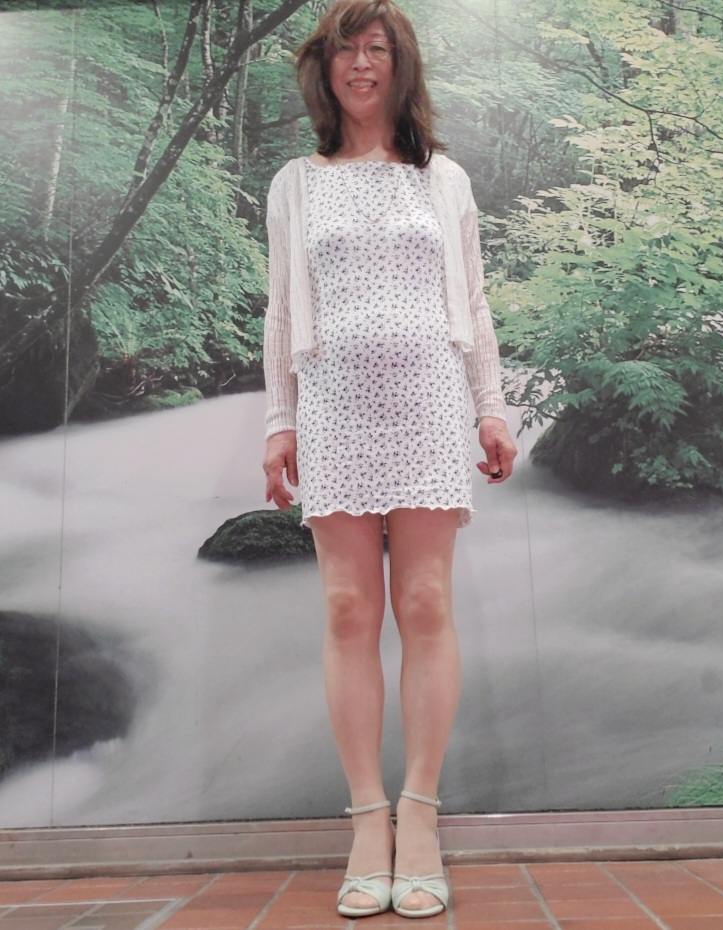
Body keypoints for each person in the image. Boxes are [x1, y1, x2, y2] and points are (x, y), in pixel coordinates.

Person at [262, 0, 517, 918]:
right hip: (333, 407)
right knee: (346, 610)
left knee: (424, 604)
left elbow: (474, 304)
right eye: (346, 50)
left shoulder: (441, 179)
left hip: (427, 405)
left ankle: (421, 814)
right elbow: (282, 309)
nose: (361, 64)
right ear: (323, 69)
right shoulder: (296, 183)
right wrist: (279, 421)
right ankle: (367, 818)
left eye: (377, 49)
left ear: (400, 67)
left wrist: (490, 408)